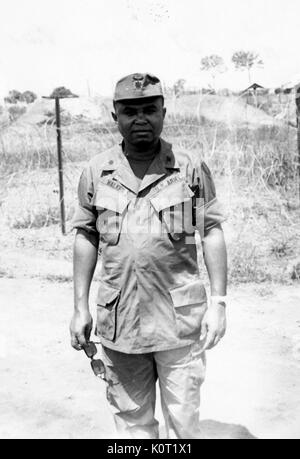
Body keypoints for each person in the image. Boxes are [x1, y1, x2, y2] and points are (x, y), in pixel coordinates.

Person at [70, 72, 228, 439]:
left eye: (149, 110)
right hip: (120, 320)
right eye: (130, 111)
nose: (140, 119)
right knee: (132, 423)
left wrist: (219, 302)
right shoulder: (96, 172)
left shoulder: (189, 168)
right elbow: (86, 236)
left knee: (183, 422)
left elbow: (211, 232)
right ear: (115, 116)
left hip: (179, 321)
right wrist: (80, 306)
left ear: (163, 113)